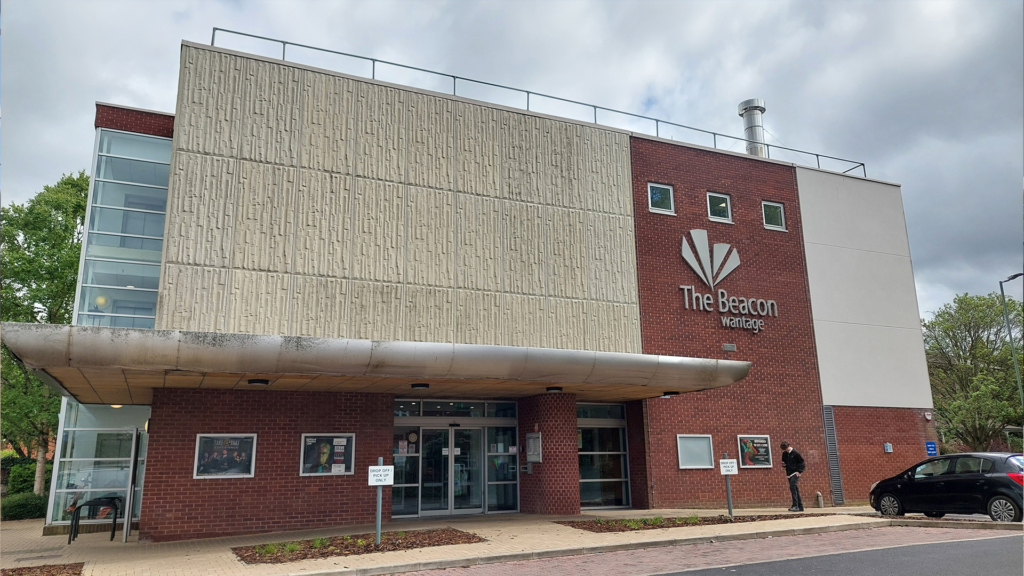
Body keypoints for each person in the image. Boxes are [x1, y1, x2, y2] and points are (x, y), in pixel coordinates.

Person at [780, 441, 805, 511]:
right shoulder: (784, 454)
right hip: (789, 472)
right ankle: (800, 506)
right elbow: (784, 462)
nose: (786, 450)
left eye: (786, 448)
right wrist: (784, 465)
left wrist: (799, 471)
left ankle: (795, 505)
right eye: (784, 449)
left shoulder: (796, 453)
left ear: (789, 446)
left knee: (792, 486)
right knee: (795, 488)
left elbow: (802, 462)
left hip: (795, 472)